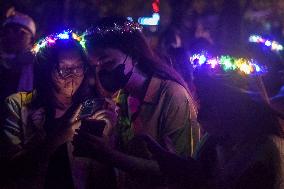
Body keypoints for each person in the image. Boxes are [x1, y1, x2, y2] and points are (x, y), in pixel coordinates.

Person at [73, 17, 198, 189]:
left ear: (133, 54)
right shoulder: (123, 96)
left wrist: (110, 155)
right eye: (96, 65)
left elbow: (181, 169)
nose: (101, 72)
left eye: (107, 62)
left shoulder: (172, 96)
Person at [0, 31, 116, 189]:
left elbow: (102, 174)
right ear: (46, 70)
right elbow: (11, 169)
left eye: (78, 67)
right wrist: (63, 134)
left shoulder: (92, 108)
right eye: (64, 69)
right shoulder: (18, 105)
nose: (72, 75)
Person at [139, 69, 284, 189]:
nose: (200, 115)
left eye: (209, 105)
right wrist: (174, 164)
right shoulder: (212, 141)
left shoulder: (266, 150)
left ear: (236, 106)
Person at [0, 10, 36, 124]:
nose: (11, 35)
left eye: (20, 32)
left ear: (31, 39)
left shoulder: (38, 64)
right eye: (8, 30)